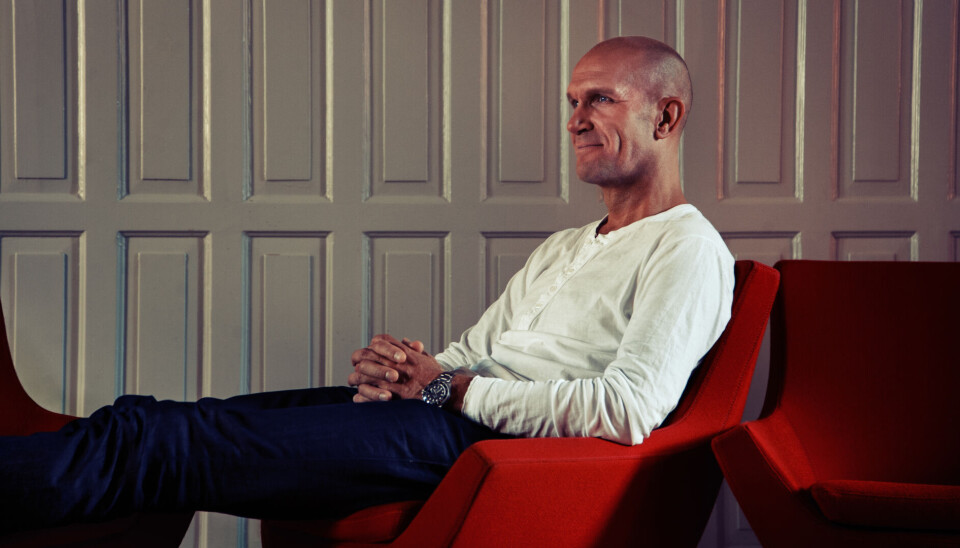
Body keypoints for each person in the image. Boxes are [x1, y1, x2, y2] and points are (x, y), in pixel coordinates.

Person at [0, 36, 733, 532]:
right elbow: (471, 354)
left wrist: (446, 389)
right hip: (443, 417)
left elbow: (627, 409)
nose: (575, 120)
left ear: (666, 115)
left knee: (169, 444)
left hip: (484, 446)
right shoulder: (567, 246)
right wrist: (408, 373)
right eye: (572, 102)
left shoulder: (686, 248)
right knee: (154, 421)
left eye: (600, 100)